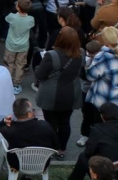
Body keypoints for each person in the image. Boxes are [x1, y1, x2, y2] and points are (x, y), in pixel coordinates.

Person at [35, 26, 84, 156]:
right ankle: (61, 149)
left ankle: (51, 148)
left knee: (51, 122)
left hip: (51, 94)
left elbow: (40, 75)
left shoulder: (51, 55)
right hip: (71, 93)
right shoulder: (81, 53)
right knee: (64, 122)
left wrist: (37, 67)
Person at [69, 103, 118, 180]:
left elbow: (88, 152)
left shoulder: (97, 129)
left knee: (83, 157)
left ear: (102, 116)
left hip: (106, 171)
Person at [0, 98, 59, 168]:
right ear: (29, 114)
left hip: (17, 164)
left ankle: (4, 166)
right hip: (42, 164)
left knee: (0, 138)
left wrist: (3, 121)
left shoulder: (8, 130)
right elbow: (56, 146)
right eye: (32, 110)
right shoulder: (45, 126)